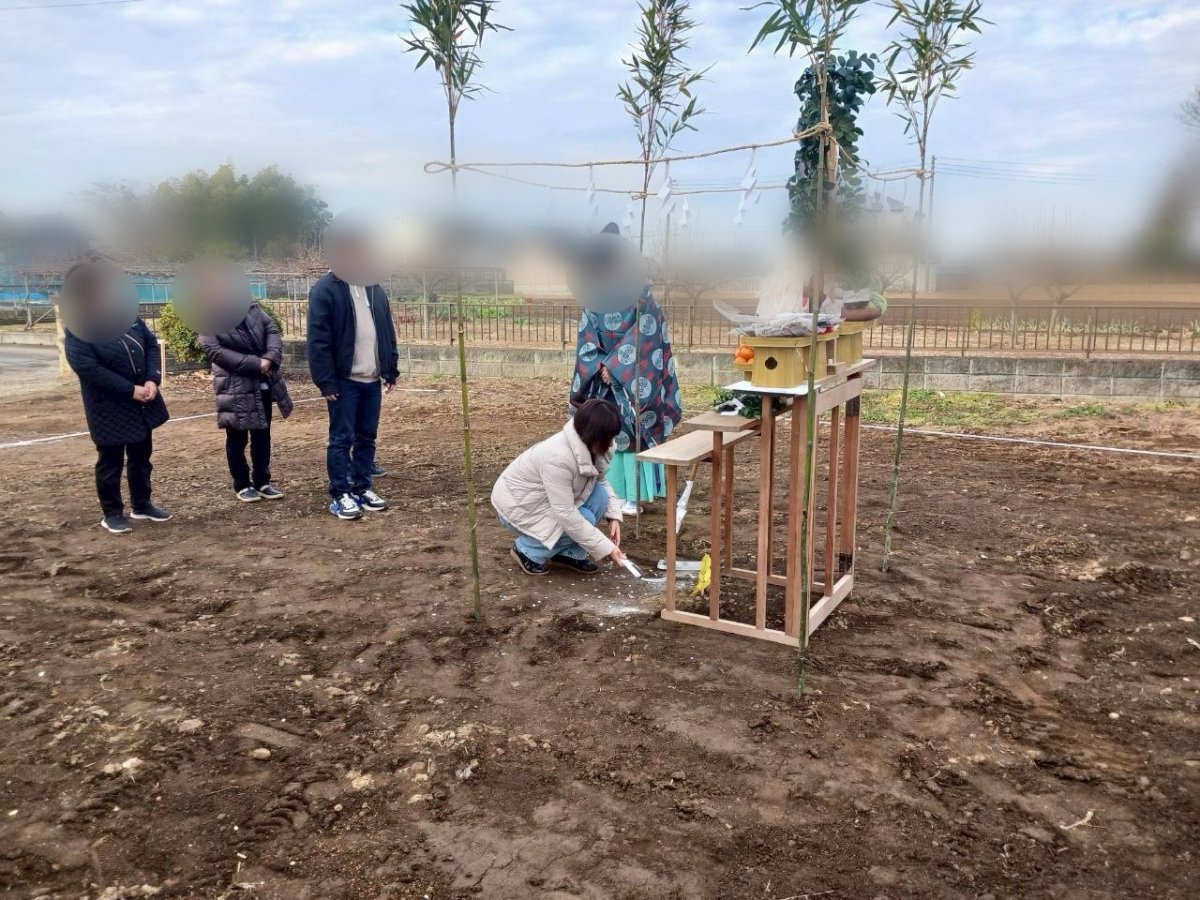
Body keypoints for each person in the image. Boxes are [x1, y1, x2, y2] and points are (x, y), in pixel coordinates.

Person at [569, 223, 682, 515]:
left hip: (633, 374)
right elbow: (587, 332)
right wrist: (599, 365)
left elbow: (646, 329)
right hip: (600, 377)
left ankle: (636, 495)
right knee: (605, 429)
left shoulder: (639, 291)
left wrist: (617, 367)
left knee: (635, 428)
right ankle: (613, 493)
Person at [63, 262, 171, 534]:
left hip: (141, 399)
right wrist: (129, 389)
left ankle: (142, 504)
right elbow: (87, 367)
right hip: (109, 405)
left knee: (141, 456)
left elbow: (150, 344)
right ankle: (111, 513)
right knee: (110, 461)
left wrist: (151, 379)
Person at [307, 226, 399, 520]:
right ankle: (340, 494)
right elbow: (318, 341)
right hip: (343, 381)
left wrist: (390, 369)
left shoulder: (374, 288)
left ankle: (362, 487)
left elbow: (387, 331)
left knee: (366, 437)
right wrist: (326, 382)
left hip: (371, 380)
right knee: (341, 439)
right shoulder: (325, 290)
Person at [492, 398, 628, 577]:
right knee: (584, 517)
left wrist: (613, 516)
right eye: (608, 438)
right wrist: (606, 548)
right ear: (593, 435)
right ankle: (527, 550)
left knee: (600, 497)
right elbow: (565, 514)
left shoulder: (595, 445)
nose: (611, 443)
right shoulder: (558, 458)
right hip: (518, 508)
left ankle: (566, 553)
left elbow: (600, 479)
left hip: (545, 500)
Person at [200, 303, 294, 502]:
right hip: (234, 386)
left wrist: (269, 358)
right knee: (237, 437)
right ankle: (242, 484)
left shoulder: (252, 308)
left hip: (263, 382)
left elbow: (272, 329)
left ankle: (262, 481)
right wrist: (255, 363)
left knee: (263, 435)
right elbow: (212, 348)